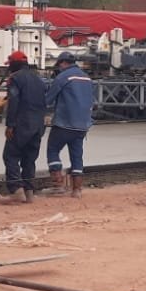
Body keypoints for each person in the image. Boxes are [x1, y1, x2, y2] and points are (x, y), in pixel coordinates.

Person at [44, 50, 95, 196]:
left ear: (63, 63)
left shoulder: (63, 77)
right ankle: (76, 190)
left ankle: (57, 185)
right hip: (82, 126)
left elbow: (48, 99)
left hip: (64, 123)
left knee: (53, 150)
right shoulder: (86, 78)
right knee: (76, 156)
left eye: (59, 65)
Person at [0, 50, 46, 204]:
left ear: (14, 64)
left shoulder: (15, 78)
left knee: (10, 156)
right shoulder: (39, 79)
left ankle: (16, 190)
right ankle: (29, 192)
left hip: (22, 124)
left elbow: (14, 102)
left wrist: (10, 125)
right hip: (38, 125)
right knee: (29, 159)